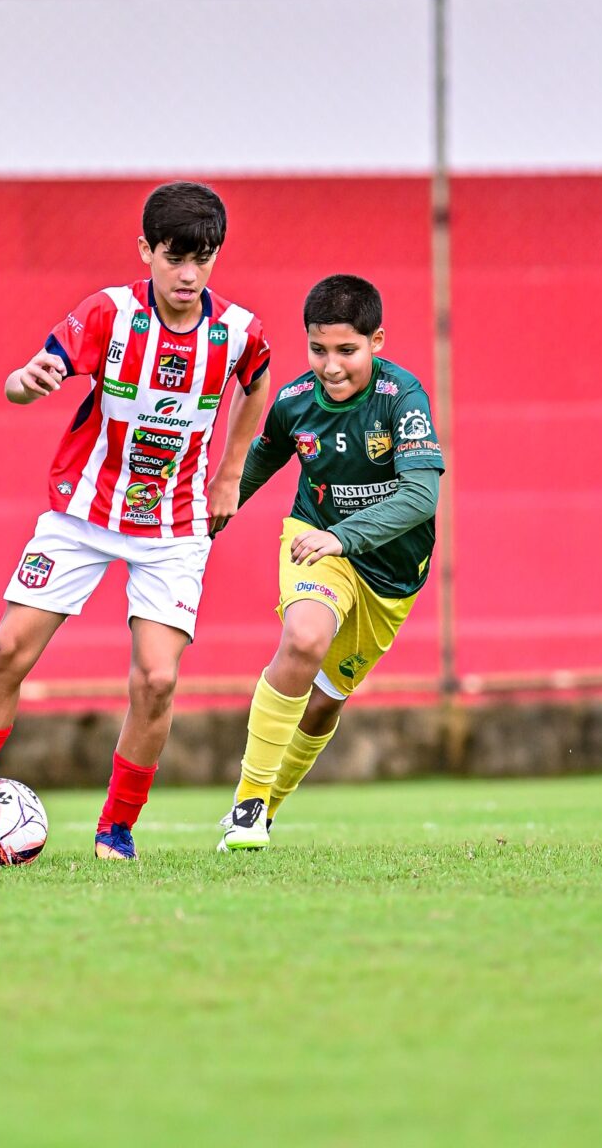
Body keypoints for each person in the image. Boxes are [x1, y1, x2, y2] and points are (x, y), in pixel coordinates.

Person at [0, 180, 271, 863]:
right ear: (145, 251)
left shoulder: (237, 331)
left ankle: (115, 829)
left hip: (174, 526)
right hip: (81, 513)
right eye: (174, 256)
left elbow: (258, 378)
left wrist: (230, 471)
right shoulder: (109, 315)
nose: (188, 274)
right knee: (7, 650)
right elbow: (24, 380)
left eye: (203, 258)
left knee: (156, 679)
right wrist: (24, 379)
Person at [217, 273, 444, 851]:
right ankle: (246, 804)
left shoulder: (403, 399)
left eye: (347, 350)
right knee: (303, 639)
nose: (331, 365)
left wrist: (346, 538)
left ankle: (267, 809)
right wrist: (200, 525)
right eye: (318, 349)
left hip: (391, 577)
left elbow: (421, 498)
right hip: (314, 539)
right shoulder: (293, 403)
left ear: (378, 342)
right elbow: (249, 471)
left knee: (323, 706)